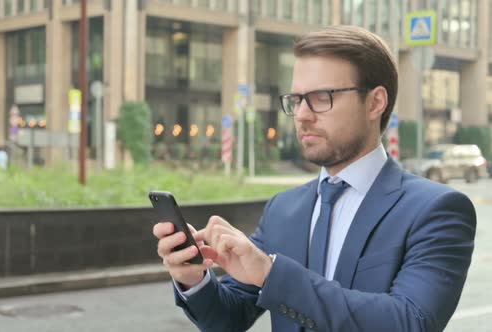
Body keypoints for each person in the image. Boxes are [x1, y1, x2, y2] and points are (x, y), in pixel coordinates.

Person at [152, 26, 476, 332]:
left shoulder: (436, 210)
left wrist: (271, 274)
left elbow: (409, 321)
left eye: (322, 97)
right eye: (297, 99)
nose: (303, 115)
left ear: (376, 102)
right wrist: (193, 279)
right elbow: (229, 318)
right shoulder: (284, 209)